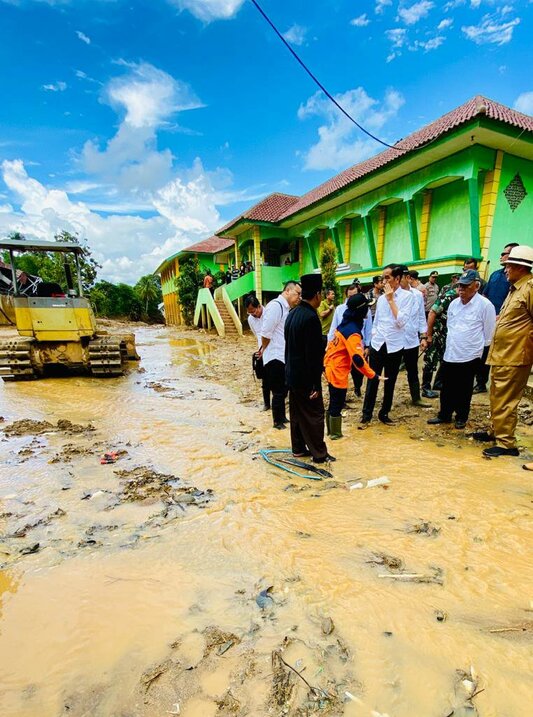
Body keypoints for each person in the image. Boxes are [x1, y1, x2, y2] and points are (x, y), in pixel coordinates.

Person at [475, 245, 533, 457]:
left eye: (508, 266)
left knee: (506, 400)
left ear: (520, 267)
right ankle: (497, 432)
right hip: (503, 354)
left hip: (515, 355)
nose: (505, 270)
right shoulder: (515, 288)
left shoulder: (530, 288)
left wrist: (525, 344)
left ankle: (507, 444)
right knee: (497, 396)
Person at [427, 270, 496, 430]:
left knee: (464, 388)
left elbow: (488, 334)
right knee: (446, 387)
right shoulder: (454, 304)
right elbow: (451, 326)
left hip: (470, 355)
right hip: (451, 352)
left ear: (476, 286)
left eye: (465, 286)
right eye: (460, 286)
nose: (461, 290)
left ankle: (461, 416)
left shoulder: (485, 306)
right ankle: (444, 414)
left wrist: (478, 352)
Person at [284, 273, 333, 463]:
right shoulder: (311, 317)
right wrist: (315, 384)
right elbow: (312, 355)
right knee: (314, 415)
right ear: (318, 295)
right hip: (306, 377)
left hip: (291, 374)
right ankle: (319, 454)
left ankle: (298, 449)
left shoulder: (292, 313)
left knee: (297, 414)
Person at [361, 264, 416, 424]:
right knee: (372, 378)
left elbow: (401, 322)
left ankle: (384, 413)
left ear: (397, 279)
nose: (383, 281)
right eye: (382, 277)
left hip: (395, 345)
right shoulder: (381, 298)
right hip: (378, 344)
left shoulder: (408, 297)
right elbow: (377, 321)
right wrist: (373, 339)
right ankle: (366, 414)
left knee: (390, 381)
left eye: (387, 277)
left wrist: (391, 300)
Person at [324, 294, 381, 439]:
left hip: (330, 366)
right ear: (361, 311)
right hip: (338, 371)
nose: (368, 310)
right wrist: (373, 375)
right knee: (337, 402)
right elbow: (358, 360)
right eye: (367, 307)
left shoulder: (345, 323)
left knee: (333, 401)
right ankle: (335, 436)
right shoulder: (353, 332)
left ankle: (330, 432)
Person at [473, 242, 519, 394]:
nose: (501, 256)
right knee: (485, 352)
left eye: (504, 253)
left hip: (504, 322)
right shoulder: (495, 275)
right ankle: (480, 383)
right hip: (488, 321)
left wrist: (500, 316)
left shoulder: (516, 279)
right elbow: (485, 294)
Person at [258, 281, 302, 429]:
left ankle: (282, 417)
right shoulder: (275, 306)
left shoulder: (286, 308)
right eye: (297, 294)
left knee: (283, 390)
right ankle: (277, 421)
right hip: (275, 355)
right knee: (278, 391)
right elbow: (265, 332)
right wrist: (265, 349)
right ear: (288, 291)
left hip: (283, 355)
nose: (299, 297)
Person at [328, 282, 372, 397]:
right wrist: (330, 343)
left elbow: (368, 328)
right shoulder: (340, 309)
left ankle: (357, 387)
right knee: (341, 370)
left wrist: (367, 345)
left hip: (358, 345)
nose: (351, 298)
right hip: (342, 347)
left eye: (354, 296)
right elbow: (334, 328)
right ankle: (340, 394)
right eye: (349, 296)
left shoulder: (364, 308)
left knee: (358, 370)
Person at [400, 268, 431, 407]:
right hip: (395, 340)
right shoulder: (392, 296)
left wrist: (423, 336)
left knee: (412, 370)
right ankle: (386, 402)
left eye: (403, 277)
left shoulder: (417, 295)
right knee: (392, 371)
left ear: (408, 278)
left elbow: (420, 317)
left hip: (411, 339)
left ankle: (416, 398)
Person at [421, 284, 458, 398]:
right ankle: (425, 388)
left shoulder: (463, 298)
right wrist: (429, 335)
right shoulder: (449, 297)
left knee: (445, 359)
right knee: (431, 359)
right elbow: (432, 313)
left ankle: (438, 383)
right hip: (437, 333)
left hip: (447, 334)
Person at [245, 294, 270, 412]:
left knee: (277, 378)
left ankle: (279, 403)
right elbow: (257, 335)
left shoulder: (269, 314)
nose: (253, 314)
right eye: (250, 313)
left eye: (254, 311)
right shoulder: (251, 319)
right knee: (264, 379)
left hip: (274, 351)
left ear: (259, 306)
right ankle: (266, 404)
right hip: (261, 352)